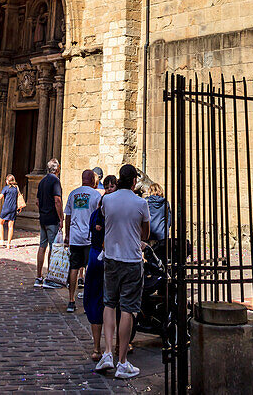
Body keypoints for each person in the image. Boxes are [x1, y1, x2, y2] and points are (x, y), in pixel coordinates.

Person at [94, 163, 150, 380]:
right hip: (131, 260)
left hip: (111, 259)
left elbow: (106, 219)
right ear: (134, 180)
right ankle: (123, 361)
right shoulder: (140, 203)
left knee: (109, 303)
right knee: (127, 309)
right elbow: (145, 234)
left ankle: (107, 352)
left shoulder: (107, 199)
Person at [83, 174, 117, 361]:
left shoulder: (96, 214)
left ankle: (97, 348)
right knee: (114, 303)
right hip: (112, 259)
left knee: (96, 301)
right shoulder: (115, 215)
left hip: (95, 258)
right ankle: (117, 346)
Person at [63, 170, 102, 313]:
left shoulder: (73, 194)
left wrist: (67, 235)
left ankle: (71, 300)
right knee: (88, 268)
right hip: (89, 237)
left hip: (75, 237)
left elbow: (68, 215)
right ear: (92, 180)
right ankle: (88, 299)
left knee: (74, 268)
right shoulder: (96, 195)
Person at [34, 158, 62, 288]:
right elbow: (57, 200)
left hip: (43, 218)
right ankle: (50, 277)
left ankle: (38, 276)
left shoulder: (42, 181)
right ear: (57, 169)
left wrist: (42, 211)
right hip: (51, 219)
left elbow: (37, 201)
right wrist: (61, 218)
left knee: (42, 246)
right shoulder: (55, 181)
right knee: (52, 247)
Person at [0, 174, 20, 249]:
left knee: (1, 223)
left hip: (6, 207)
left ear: (7, 181)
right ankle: (9, 243)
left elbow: (0, 197)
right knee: (10, 226)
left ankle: (2, 240)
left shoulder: (6, 188)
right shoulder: (16, 189)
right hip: (13, 208)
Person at [146, 181, 171, 247]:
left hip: (150, 233)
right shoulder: (165, 203)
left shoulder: (146, 202)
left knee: (150, 255)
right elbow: (169, 219)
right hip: (162, 234)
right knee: (162, 255)